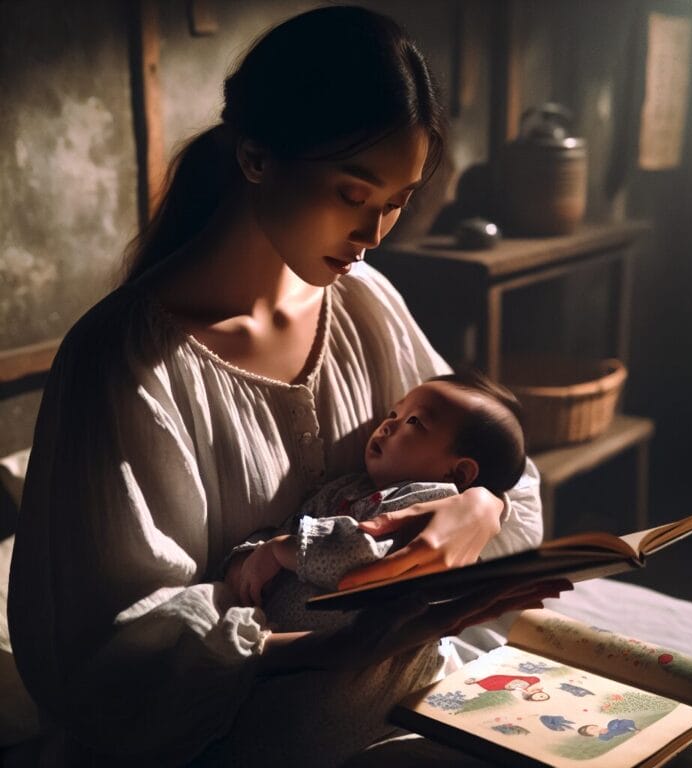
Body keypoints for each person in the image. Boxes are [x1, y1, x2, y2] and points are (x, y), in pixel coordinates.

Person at [9, 6, 566, 765]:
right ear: (256, 159)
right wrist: (327, 651)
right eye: (352, 194)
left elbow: (502, 473)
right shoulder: (125, 364)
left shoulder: (365, 302)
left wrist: (478, 503)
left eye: (398, 199)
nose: (374, 233)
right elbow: (107, 654)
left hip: (378, 688)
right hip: (226, 730)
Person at [225, 370, 528, 632]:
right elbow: (293, 524)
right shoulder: (346, 487)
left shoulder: (431, 502)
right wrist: (249, 557)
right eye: (393, 414)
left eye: (414, 422)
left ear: (459, 473)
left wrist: (278, 551)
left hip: (369, 658)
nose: (388, 425)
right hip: (290, 641)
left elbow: (360, 557)